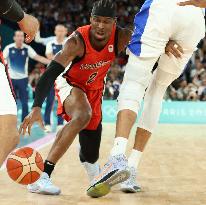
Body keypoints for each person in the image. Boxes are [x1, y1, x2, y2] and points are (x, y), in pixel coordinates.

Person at [19, 0, 181, 196]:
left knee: (91, 150)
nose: (100, 26)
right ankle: (42, 176)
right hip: (70, 83)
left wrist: (166, 44)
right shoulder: (76, 42)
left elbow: (149, 41)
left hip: (95, 90)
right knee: (82, 115)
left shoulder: (122, 37)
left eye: (106, 21)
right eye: (97, 20)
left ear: (114, 22)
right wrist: (36, 107)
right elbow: (50, 73)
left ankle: (93, 171)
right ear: (90, 19)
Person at [86, 0, 205, 198]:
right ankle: (132, 167)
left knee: (134, 82)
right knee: (158, 90)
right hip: (195, 19)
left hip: (163, 9)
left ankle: (117, 155)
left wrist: (160, 32)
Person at [0, 0, 39, 166]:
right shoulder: (9, 49)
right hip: (13, 78)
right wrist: (22, 17)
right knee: (9, 135)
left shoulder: (26, 49)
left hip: (21, 79)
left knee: (22, 104)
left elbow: (36, 57)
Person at [3, 31, 50, 122]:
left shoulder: (27, 48)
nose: (20, 38)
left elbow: (38, 57)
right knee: (10, 103)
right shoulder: (8, 48)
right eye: (18, 36)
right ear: (14, 38)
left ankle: (23, 122)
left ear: (24, 38)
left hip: (23, 80)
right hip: (11, 80)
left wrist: (52, 62)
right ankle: (9, 122)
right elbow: (3, 60)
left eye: (21, 36)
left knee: (24, 103)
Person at [44, 24, 68, 133]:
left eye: (62, 31)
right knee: (49, 100)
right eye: (58, 31)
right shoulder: (50, 43)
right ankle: (47, 123)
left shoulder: (69, 43)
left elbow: (70, 56)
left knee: (61, 101)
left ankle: (60, 123)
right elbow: (49, 56)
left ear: (65, 32)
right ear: (55, 32)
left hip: (64, 76)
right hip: (52, 75)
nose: (60, 33)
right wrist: (62, 60)